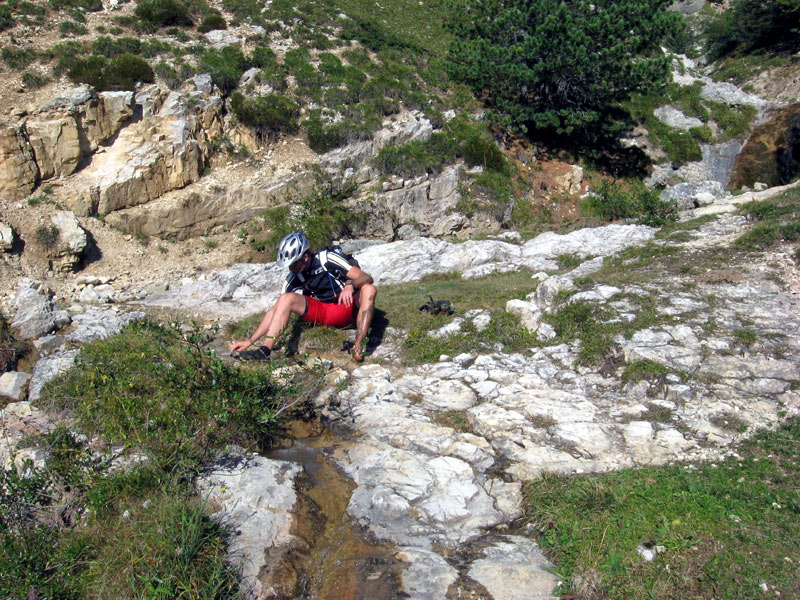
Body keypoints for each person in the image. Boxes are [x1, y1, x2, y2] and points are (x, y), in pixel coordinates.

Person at [230, 232, 377, 362]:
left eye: (293, 264)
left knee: (369, 290)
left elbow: (366, 277)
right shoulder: (293, 277)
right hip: (323, 313)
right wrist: (250, 341)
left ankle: (358, 345)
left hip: (347, 308)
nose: (291, 269)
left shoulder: (326, 259)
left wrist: (350, 284)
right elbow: (275, 310)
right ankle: (264, 351)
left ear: (305, 257)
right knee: (286, 299)